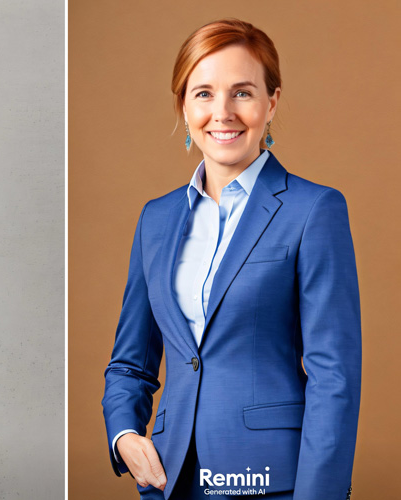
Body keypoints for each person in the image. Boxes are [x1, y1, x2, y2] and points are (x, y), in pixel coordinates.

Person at [102, 19, 360, 500]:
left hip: (274, 482)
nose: (222, 112)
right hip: (171, 479)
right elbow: (129, 363)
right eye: (203, 93)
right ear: (183, 105)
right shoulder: (156, 219)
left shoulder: (314, 210)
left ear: (271, 102)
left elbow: (335, 375)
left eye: (242, 92)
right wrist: (125, 436)